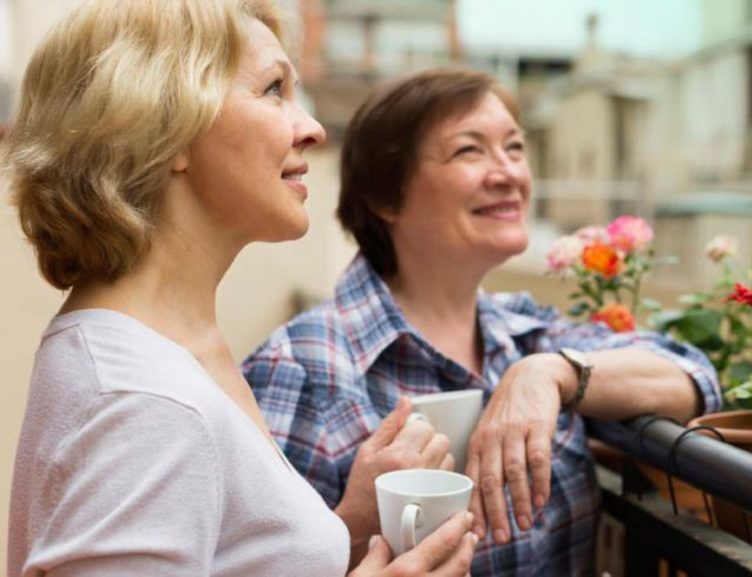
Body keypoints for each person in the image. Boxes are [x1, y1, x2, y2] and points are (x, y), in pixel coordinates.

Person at [4, 1, 475, 575]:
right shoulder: (144, 402)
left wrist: (346, 524)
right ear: (164, 127)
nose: (313, 127)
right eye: (274, 89)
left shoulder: (166, 347)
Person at [243, 67, 723, 576]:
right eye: (469, 151)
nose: (508, 173)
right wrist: (356, 528)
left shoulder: (526, 331)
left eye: (514, 148)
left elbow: (695, 375)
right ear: (384, 196)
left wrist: (551, 374)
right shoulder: (299, 366)